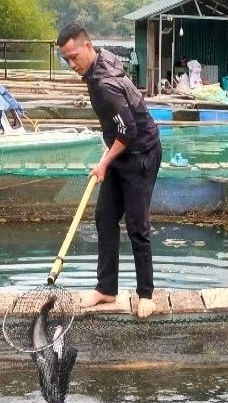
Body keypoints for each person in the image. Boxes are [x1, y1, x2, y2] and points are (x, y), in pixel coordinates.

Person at [57, 23, 161, 319]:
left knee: (137, 226)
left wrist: (103, 162)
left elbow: (128, 129)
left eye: (74, 56)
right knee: (104, 216)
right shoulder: (100, 59)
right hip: (121, 150)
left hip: (141, 152)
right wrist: (110, 155)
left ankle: (146, 294)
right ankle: (106, 288)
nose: (71, 64)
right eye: (66, 59)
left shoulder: (104, 84)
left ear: (88, 46)